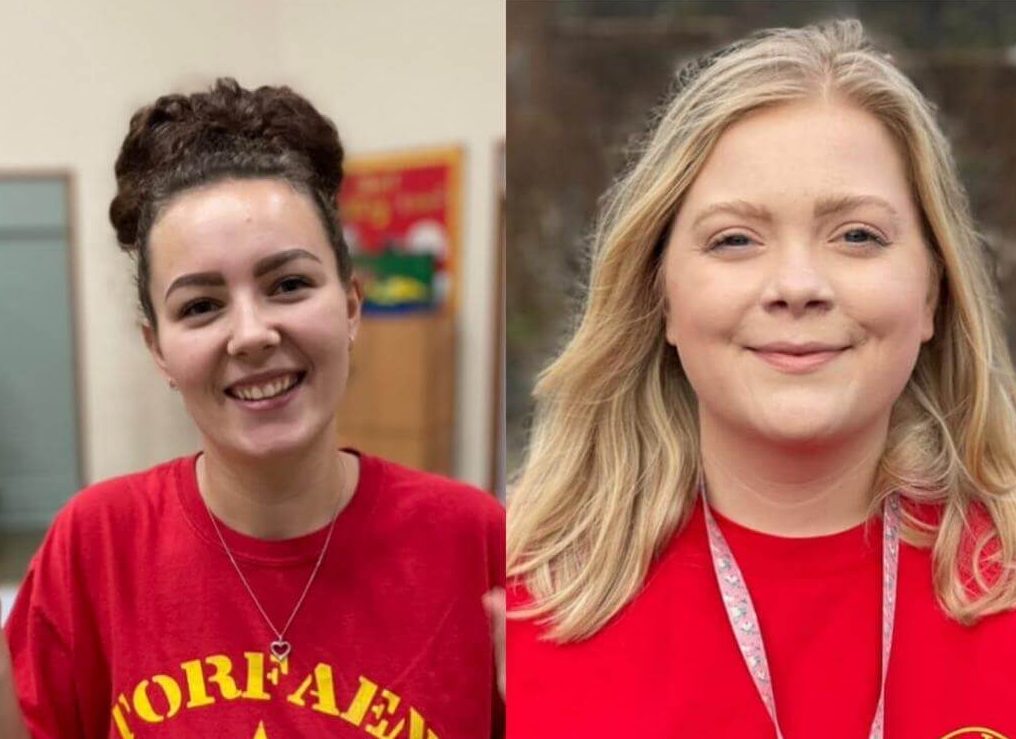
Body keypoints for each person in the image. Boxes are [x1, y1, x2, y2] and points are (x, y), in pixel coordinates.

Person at [507, 19, 1016, 738]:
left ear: (933, 292)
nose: (797, 285)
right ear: (662, 298)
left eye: (858, 235)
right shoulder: (515, 610)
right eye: (735, 239)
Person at [0, 79, 505, 738]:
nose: (252, 333)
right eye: (201, 305)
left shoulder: (479, 542)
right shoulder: (94, 546)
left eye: (289, 284)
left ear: (351, 306)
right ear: (158, 348)